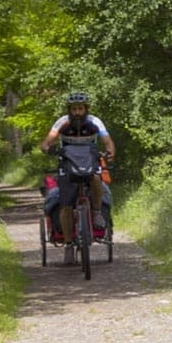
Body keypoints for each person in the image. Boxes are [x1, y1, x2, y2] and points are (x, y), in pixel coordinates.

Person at [42, 91, 115, 243]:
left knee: (96, 178)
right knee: (66, 205)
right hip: (67, 164)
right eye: (74, 109)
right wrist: (48, 149)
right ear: (69, 110)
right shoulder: (62, 122)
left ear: (85, 109)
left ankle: (96, 212)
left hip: (89, 161)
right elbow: (46, 142)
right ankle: (68, 244)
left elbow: (108, 141)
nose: (77, 112)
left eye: (80, 109)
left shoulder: (95, 121)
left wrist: (110, 152)